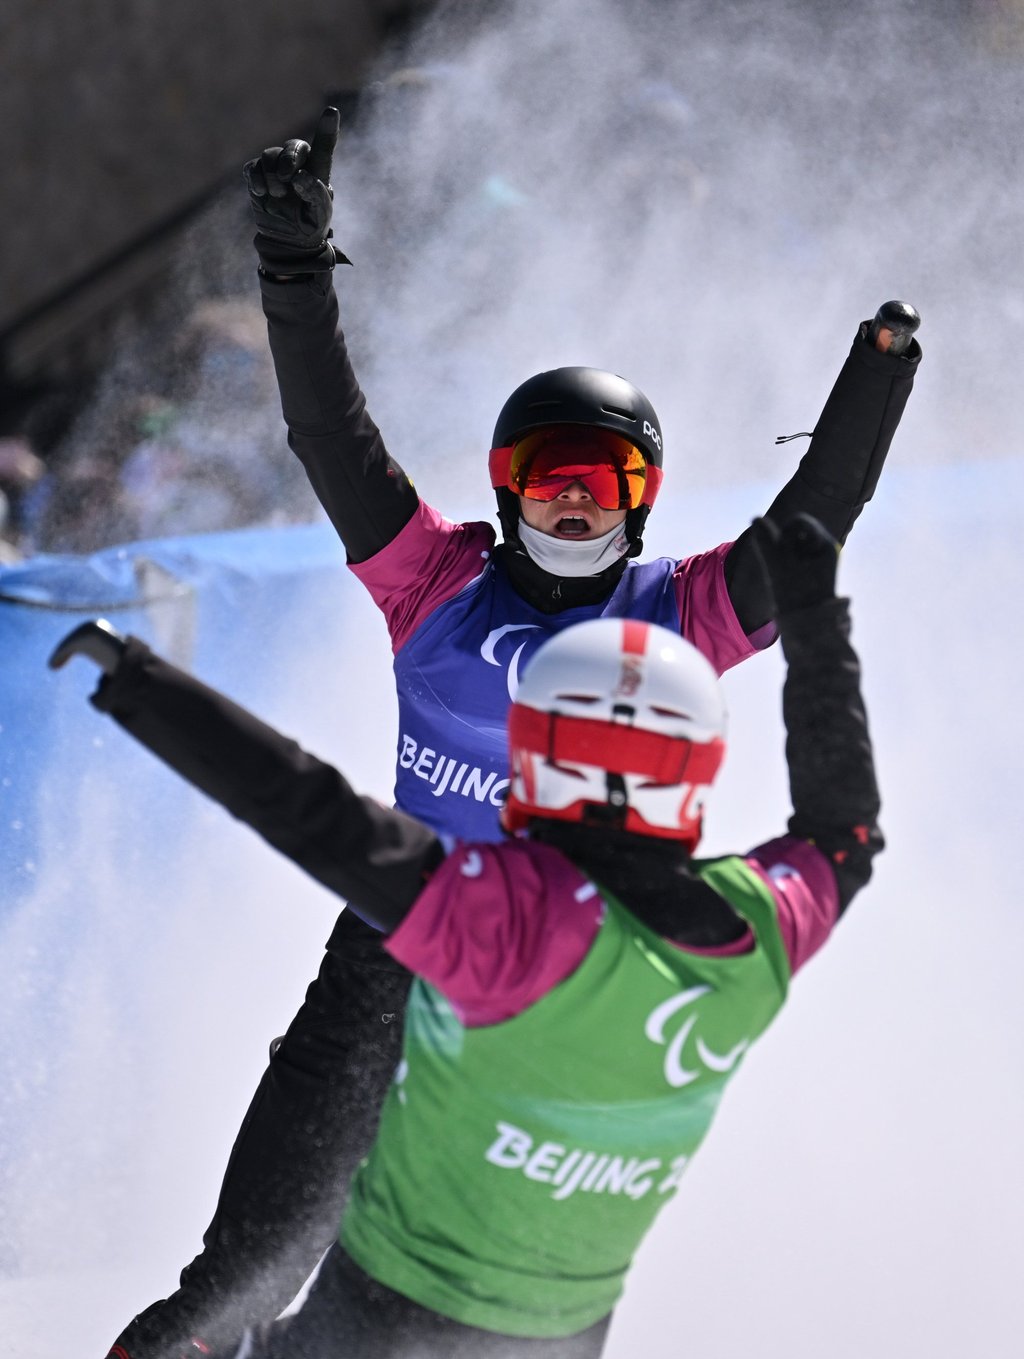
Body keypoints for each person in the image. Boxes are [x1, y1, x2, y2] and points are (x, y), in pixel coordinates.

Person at [100, 106, 921, 1357]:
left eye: (606, 481)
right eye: (550, 477)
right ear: (507, 490)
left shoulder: (684, 613)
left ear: (644, 501)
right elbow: (329, 436)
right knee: (236, 1284)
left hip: (558, 978)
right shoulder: (431, 583)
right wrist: (292, 264)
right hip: (401, 941)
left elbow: (812, 519)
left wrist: (877, 371)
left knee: (474, 1319)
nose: (576, 502)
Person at [54, 510, 883, 1358]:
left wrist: (141, 688)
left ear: (533, 758)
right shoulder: (758, 933)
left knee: (199, 1329)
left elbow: (317, 817)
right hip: (558, 1341)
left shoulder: (510, 920)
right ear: (700, 770)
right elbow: (844, 831)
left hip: (376, 1325)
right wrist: (817, 619)